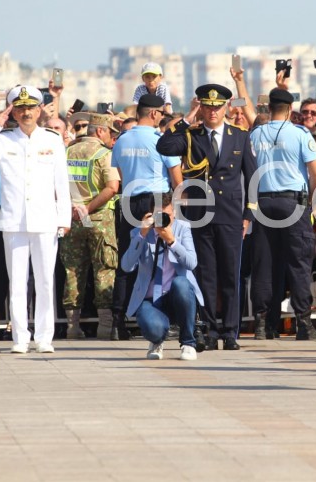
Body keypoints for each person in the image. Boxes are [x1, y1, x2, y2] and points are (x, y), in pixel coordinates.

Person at [157, 83, 256, 351]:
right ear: (201, 106)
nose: (213, 112)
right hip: (200, 214)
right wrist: (188, 118)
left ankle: (231, 331)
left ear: (227, 107)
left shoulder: (240, 136)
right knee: (206, 275)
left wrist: (248, 214)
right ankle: (211, 330)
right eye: (207, 106)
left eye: (217, 107)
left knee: (230, 275)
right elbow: (163, 146)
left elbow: (253, 177)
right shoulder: (192, 135)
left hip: (231, 213)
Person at [0, 86, 71, 354]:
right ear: (13, 112)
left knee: (44, 281)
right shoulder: (2, 140)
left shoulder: (52, 140)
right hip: (13, 221)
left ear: (40, 109)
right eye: (20, 108)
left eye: (30, 107)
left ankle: (44, 337)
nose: (26, 112)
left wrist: (64, 217)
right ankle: (20, 337)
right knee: (17, 281)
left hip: (45, 220)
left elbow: (61, 183)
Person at [249, 75, 316, 340]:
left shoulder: (255, 134)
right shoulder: (300, 134)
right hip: (293, 204)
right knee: (298, 263)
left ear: (268, 108)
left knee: (264, 264)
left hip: (262, 203)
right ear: (290, 109)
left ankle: (262, 324)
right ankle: (303, 324)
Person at [110, 94, 182, 340]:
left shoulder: (121, 141)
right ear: (154, 114)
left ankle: (118, 322)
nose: (162, 118)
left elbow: (120, 173)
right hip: (157, 198)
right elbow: (177, 179)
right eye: (161, 114)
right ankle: (162, 318)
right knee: (161, 259)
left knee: (128, 259)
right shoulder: (161, 140)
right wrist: (172, 206)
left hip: (129, 199)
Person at [121, 192, 203, 361]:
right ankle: (157, 341)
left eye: (169, 215)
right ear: (151, 215)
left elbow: (192, 263)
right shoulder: (140, 232)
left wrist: (172, 241)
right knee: (152, 327)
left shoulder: (182, 228)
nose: (165, 220)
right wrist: (142, 234)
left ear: (174, 213)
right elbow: (126, 266)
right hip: (152, 299)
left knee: (181, 283)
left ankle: (188, 343)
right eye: (160, 216)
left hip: (177, 296)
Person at [60, 113, 120, 340]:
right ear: (100, 131)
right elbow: (112, 187)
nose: (111, 137)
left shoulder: (66, 152)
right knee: (104, 269)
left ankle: (72, 327)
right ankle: (105, 327)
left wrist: (75, 208)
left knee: (73, 271)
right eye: (110, 133)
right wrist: (88, 207)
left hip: (72, 219)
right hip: (98, 219)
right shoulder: (104, 154)